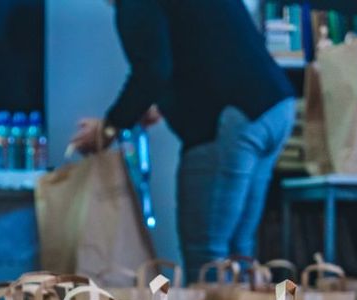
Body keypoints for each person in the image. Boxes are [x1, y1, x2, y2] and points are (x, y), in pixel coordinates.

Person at [71, 0, 295, 282]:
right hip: (274, 108)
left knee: (207, 255)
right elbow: (203, 46)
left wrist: (109, 127)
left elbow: (151, 72)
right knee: (239, 251)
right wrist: (158, 106)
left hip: (230, 120)